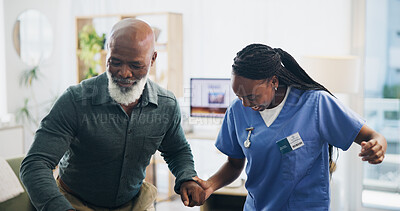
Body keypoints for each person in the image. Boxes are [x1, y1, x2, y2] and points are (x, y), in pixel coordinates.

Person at [20, 18, 205, 211]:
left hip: (134, 202)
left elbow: (177, 150)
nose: (124, 73)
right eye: (115, 62)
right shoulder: (75, 101)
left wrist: (187, 177)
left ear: (153, 59)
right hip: (74, 203)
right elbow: (35, 163)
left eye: (136, 65)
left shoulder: (166, 105)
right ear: (107, 53)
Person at [193, 43, 387, 210]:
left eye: (252, 97)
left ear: (274, 82)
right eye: (239, 96)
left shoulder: (315, 104)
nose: (244, 104)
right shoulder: (237, 110)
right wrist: (210, 185)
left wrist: (377, 145)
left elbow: (372, 136)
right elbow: (234, 164)